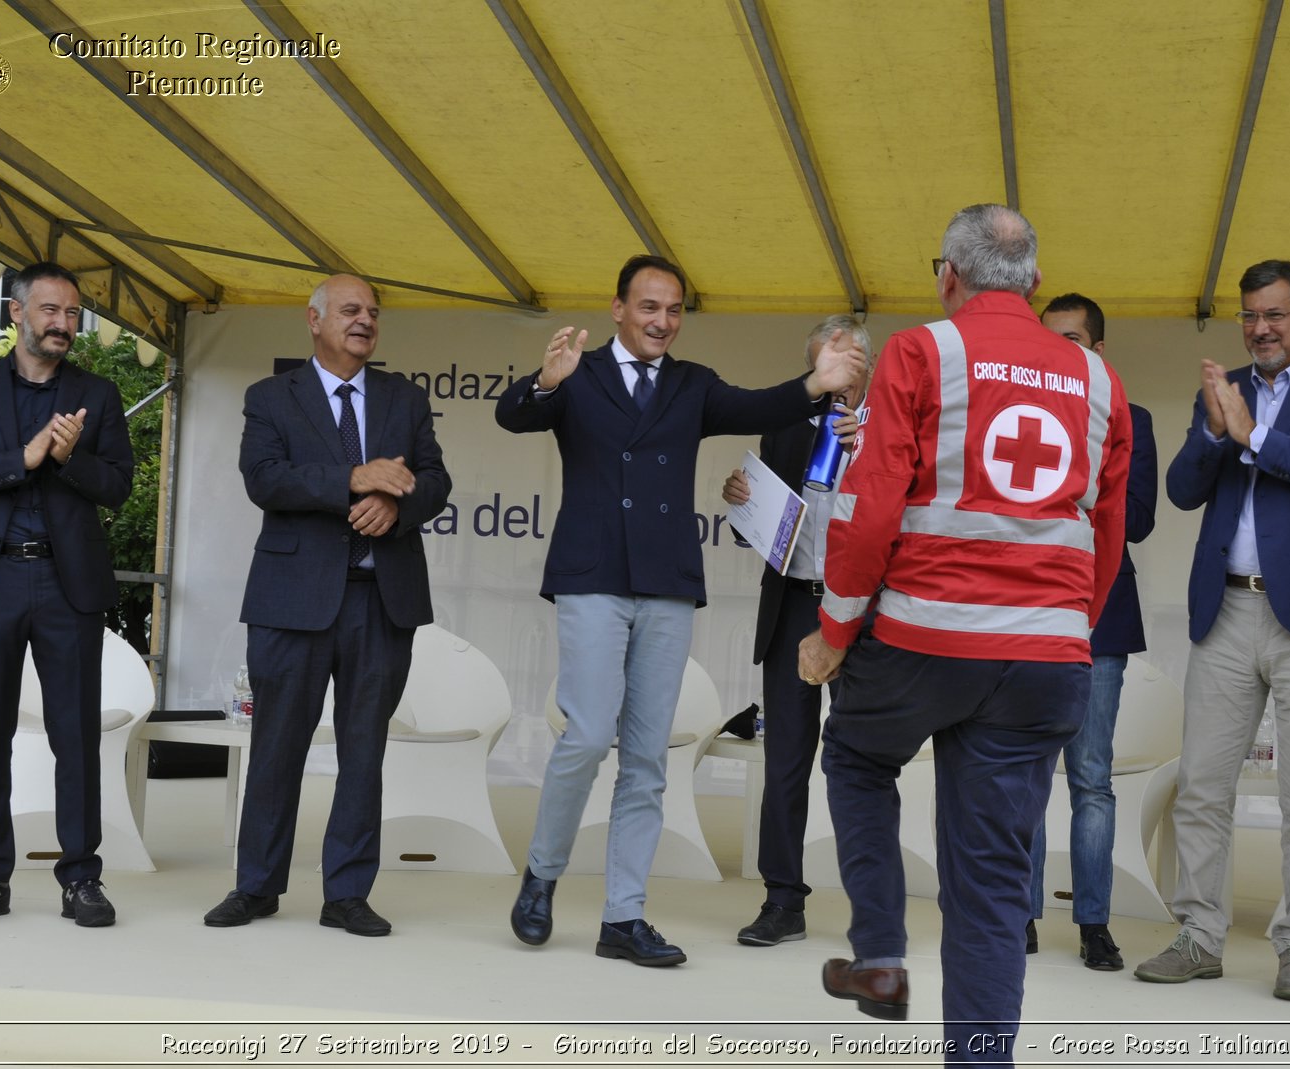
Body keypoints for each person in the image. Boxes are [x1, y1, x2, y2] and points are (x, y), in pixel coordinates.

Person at [801, 204, 1131, 1062]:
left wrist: (835, 629)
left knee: (857, 755)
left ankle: (878, 954)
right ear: (1033, 285)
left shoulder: (923, 351)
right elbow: (1106, 532)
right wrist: (1062, 629)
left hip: (927, 639)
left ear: (949, 274)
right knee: (990, 885)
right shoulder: (1101, 381)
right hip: (1048, 656)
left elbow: (872, 510)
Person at [496, 254, 867, 967]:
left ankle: (623, 916)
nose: (662, 321)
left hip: (666, 582)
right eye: (648, 308)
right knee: (588, 730)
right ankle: (541, 877)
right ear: (618, 308)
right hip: (593, 576)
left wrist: (816, 385)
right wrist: (547, 381)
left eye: (673, 311)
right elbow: (511, 415)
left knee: (645, 755)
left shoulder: (693, 385)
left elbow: (760, 406)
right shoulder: (581, 375)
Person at [1137, 259, 1290, 1000]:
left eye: (1274, 315)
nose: (1260, 329)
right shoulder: (1224, 389)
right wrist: (1218, 432)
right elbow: (1183, 490)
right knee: (1203, 785)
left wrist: (1257, 437)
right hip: (1228, 608)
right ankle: (1199, 934)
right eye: (1249, 316)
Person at [202, 274, 451, 937]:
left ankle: (347, 893)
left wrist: (395, 504)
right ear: (314, 320)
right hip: (291, 603)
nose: (364, 319)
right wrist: (353, 477)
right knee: (276, 747)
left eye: (372, 311)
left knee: (363, 751)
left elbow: (435, 480)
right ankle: (256, 885)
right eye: (350, 309)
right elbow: (265, 478)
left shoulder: (405, 398)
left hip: (380, 599)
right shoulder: (271, 397)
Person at [0, 261, 134, 927]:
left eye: (72, 314)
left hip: (68, 583)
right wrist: (26, 456)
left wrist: (70, 459)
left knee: (76, 736)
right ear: (15, 313)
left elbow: (119, 486)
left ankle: (81, 879)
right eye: (50, 311)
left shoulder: (97, 395)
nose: (63, 324)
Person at [718, 314, 874, 947]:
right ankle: (782, 901)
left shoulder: (895, 432)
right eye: (823, 369)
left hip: (863, 617)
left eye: (847, 368)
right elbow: (766, 526)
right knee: (784, 763)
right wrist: (740, 502)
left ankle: (873, 905)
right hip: (793, 612)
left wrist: (866, 451)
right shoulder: (784, 424)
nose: (835, 380)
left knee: (861, 765)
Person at [1026, 293, 1157, 970]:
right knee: (1023, 773)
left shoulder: (1131, 419)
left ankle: (1093, 923)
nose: (1060, 351)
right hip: (1026, 613)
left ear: (1098, 351)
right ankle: (1018, 916)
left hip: (1099, 618)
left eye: (1073, 340)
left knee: (1091, 778)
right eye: (1049, 339)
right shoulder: (1018, 408)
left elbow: (1135, 519)